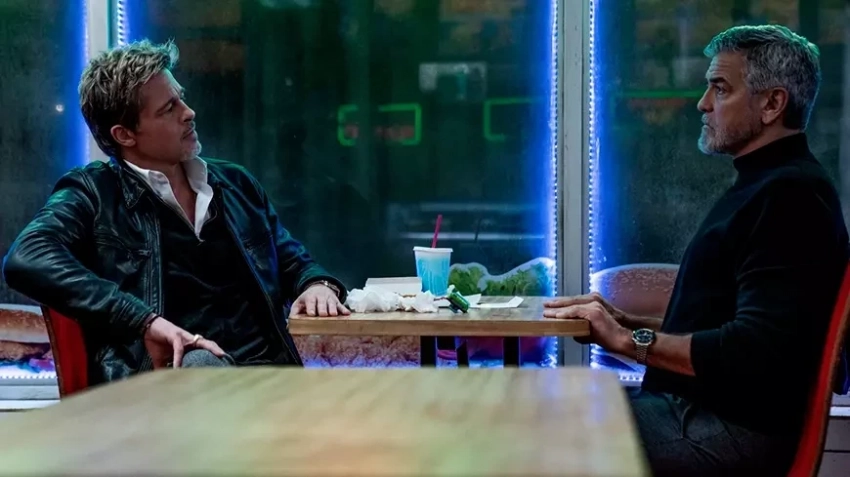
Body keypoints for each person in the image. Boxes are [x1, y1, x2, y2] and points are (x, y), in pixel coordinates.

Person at [545, 25, 848, 476]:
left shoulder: (791, 197)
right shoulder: (769, 185)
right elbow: (722, 328)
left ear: (772, 104)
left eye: (720, 88)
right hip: (699, 415)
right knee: (546, 406)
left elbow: (753, 350)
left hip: (726, 430)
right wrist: (624, 321)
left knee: (536, 423)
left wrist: (628, 341)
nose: (703, 103)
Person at [2, 39, 350, 384]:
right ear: (125, 135)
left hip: (267, 375)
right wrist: (143, 321)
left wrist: (317, 284)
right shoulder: (95, 192)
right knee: (198, 362)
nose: (188, 112)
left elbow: (292, 261)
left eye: (181, 97)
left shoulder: (235, 183)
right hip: (170, 386)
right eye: (169, 108)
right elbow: (26, 257)